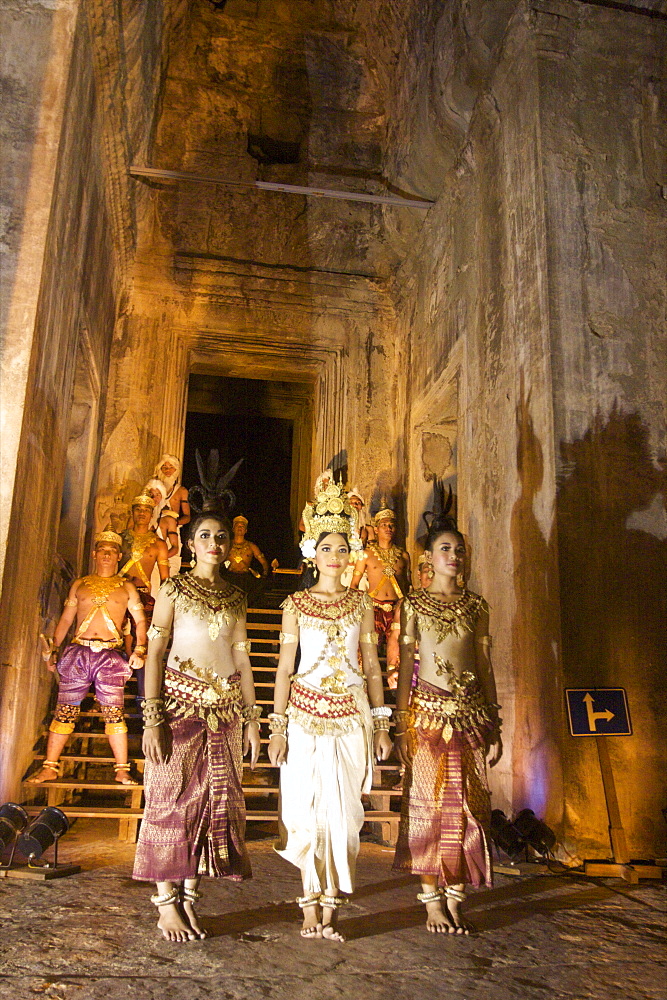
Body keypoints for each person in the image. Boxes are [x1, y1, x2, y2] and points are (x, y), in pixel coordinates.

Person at [269, 481, 392, 943]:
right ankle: (308, 902)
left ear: (352, 551)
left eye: (343, 547)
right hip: (302, 716)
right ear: (312, 552)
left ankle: (333, 904)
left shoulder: (361, 604)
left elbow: (374, 666)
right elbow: (284, 668)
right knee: (305, 810)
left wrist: (381, 723)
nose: (335, 555)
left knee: (343, 813)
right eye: (326, 547)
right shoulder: (295, 605)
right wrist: (277, 728)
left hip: (351, 717)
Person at [132, 508, 261, 943]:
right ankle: (165, 904)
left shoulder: (236, 596)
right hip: (178, 708)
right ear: (190, 543)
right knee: (169, 799)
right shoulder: (173, 589)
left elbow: (242, 658)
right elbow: (155, 653)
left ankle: (189, 898)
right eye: (205, 534)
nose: (214, 542)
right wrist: (152, 718)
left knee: (211, 803)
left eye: (221, 535)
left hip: (224, 712)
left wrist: (252, 719)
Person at [392, 515, 502, 935]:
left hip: (471, 714)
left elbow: (485, 665)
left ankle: (456, 894)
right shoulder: (415, 604)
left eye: (459, 550)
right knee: (428, 807)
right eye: (445, 549)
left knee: (467, 805)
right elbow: (406, 669)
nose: (453, 556)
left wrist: (494, 719)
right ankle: (431, 900)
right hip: (426, 716)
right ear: (429, 557)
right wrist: (402, 723)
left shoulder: (477, 605)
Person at [29, 531, 147, 786]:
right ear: (94, 554)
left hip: (111, 656)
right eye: (102, 549)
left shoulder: (127, 587)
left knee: (114, 714)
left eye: (112, 551)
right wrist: (54, 649)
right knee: (65, 711)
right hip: (78, 653)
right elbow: (66, 619)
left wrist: (139, 649)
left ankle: (122, 770)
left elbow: (139, 621)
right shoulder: (79, 585)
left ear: (118, 556)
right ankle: (50, 767)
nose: (106, 554)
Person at [350, 505, 410, 678]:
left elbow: (407, 584)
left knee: (399, 651)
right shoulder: (366, 554)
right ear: (376, 529)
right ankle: (365, 690)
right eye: (384, 525)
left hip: (397, 610)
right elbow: (354, 584)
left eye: (391, 525)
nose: (388, 528)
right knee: (367, 651)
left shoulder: (403, 556)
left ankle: (398, 688)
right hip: (373, 608)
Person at [153, 454, 191, 575]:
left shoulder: (181, 491)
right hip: (155, 527)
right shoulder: (154, 489)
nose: (167, 470)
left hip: (173, 529)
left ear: (176, 469)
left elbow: (187, 516)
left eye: (170, 467)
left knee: (171, 562)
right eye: (164, 467)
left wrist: (175, 522)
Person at [226, 515, 269, 603]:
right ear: (233, 529)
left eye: (242, 526)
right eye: (237, 526)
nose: (240, 528)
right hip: (229, 577)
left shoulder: (251, 546)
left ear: (246, 530)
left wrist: (264, 574)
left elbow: (264, 562)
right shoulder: (227, 545)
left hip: (245, 579)